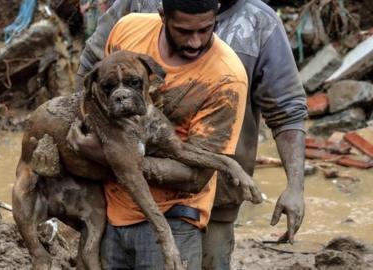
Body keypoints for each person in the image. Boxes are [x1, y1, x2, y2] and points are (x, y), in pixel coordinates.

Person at [74, 0, 308, 269]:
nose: (195, 42)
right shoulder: (136, 12)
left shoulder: (257, 27)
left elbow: (287, 109)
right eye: (183, 31)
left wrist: (295, 187)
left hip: (208, 192)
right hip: (117, 191)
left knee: (207, 259)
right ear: (163, 16)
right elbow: (90, 72)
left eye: (205, 30)